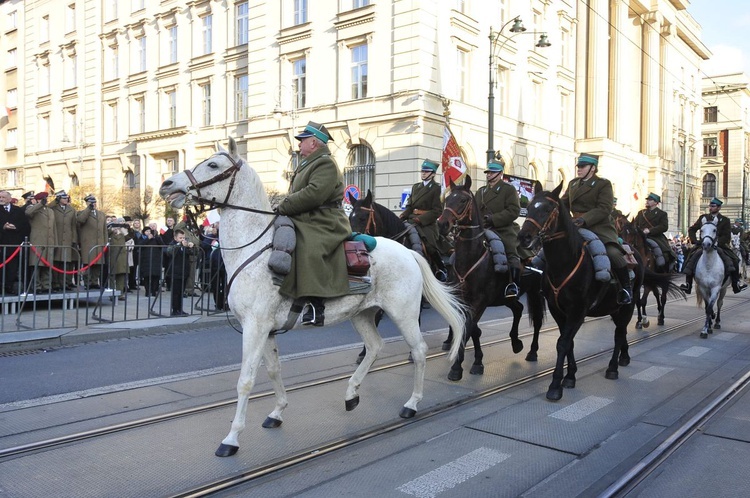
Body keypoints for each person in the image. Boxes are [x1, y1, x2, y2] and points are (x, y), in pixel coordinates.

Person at [276, 121, 351, 326]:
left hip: (325, 221)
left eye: (302, 140)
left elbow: (314, 194)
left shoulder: (325, 163)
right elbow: (297, 194)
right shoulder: (307, 163)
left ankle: (317, 305)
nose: (299, 144)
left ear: (314, 142)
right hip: (307, 216)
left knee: (308, 244)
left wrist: (285, 206)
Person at [561, 153, 632, 304]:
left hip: (599, 227)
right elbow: (563, 204)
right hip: (575, 226)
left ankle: (626, 288)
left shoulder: (603, 184)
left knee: (612, 253)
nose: (579, 169)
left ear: (592, 168)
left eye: (582, 166)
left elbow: (604, 208)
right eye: (578, 166)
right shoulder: (573, 184)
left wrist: (584, 219)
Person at [475, 158, 522, 298]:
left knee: (510, 251)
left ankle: (512, 284)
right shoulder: (481, 191)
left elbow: (514, 210)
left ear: (500, 173)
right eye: (488, 172)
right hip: (482, 228)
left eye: (492, 172)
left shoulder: (508, 189)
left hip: (503, 229)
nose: (489, 175)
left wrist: (494, 219)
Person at [680, 198, 747, 294]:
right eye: (710, 206)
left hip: (719, 245)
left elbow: (726, 236)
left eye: (713, 206)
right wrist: (695, 241)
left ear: (719, 208)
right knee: (690, 257)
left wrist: (716, 243)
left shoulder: (725, 220)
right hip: (703, 245)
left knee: (735, 260)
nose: (710, 208)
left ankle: (736, 284)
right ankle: (688, 284)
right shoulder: (703, 218)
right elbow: (692, 229)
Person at [399, 158, 449, 281]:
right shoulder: (416, 187)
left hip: (427, 224)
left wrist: (421, 219)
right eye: (422, 171)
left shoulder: (437, 188)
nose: (423, 173)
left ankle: (441, 268)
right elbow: (410, 206)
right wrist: (402, 216)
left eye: (426, 172)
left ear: (433, 174)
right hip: (412, 220)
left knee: (430, 246)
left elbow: (437, 211)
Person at [633, 192, 677, 271]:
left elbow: (664, 226)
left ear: (656, 203)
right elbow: (635, 224)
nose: (647, 201)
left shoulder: (662, 214)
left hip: (655, 237)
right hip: (640, 236)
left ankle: (663, 269)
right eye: (647, 200)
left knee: (662, 252)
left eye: (650, 200)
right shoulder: (641, 213)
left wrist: (650, 230)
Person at [0, 189, 31, 294]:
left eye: (3, 197)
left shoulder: (18, 210)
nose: (1, 199)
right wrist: (2, 227)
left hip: (14, 245)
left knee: (12, 268)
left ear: (9, 199)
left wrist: (15, 227)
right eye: (0, 197)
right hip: (2, 243)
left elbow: (25, 226)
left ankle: (10, 286)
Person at [25, 192, 57, 292]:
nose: (45, 200)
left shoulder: (50, 211)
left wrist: (55, 242)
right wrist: (39, 204)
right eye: (43, 199)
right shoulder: (33, 208)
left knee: (47, 265)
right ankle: (36, 286)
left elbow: (53, 227)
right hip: (38, 241)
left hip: (49, 241)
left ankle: (46, 286)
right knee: (37, 265)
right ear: (37, 199)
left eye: (46, 199)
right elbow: (28, 213)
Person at [76, 194, 108, 289]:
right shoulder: (82, 213)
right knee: (88, 264)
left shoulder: (101, 214)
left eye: (94, 202)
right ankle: (87, 282)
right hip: (88, 243)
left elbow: (104, 230)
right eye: (90, 202)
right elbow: (80, 220)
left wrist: (105, 242)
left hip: (99, 243)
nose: (93, 204)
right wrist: (88, 209)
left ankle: (94, 281)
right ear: (86, 203)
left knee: (97, 264)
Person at [165, 228, 198, 316]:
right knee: (176, 292)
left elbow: (195, 253)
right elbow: (169, 252)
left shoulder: (185, 246)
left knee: (181, 292)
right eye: (180, 238)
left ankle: (180, 309)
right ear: (175, 238)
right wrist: (180, 245)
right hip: (175, 271)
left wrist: (193, 246)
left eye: (183, 238)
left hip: (184, 272)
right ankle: (175, 310)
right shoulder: (173, 244)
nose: (183, 240)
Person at [51, 191, 79, 291]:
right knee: (55, 263)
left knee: (65, 263)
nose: (66, 199)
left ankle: (64, 283)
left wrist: (74, 239)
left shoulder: (71, 210)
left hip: (67, 239)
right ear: (59, 199)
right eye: (63, 198)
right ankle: (55, 283)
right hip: (57, 238)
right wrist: (55, 200)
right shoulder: (53, 208)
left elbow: (73, 226)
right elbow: (48, 206)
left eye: (67, 198)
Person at [136, 226, 163, 297]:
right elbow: (139, 245)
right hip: (146, 260)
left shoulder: (156, 238)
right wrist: (147, 239)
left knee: (155, 276)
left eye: (149, 231)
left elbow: (162, 244)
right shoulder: (142, 238)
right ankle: (147, 291)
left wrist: (156, 237)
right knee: (147, 277)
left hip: (155, 259)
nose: (148, 233)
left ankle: (154, 291)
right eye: (146, 231)